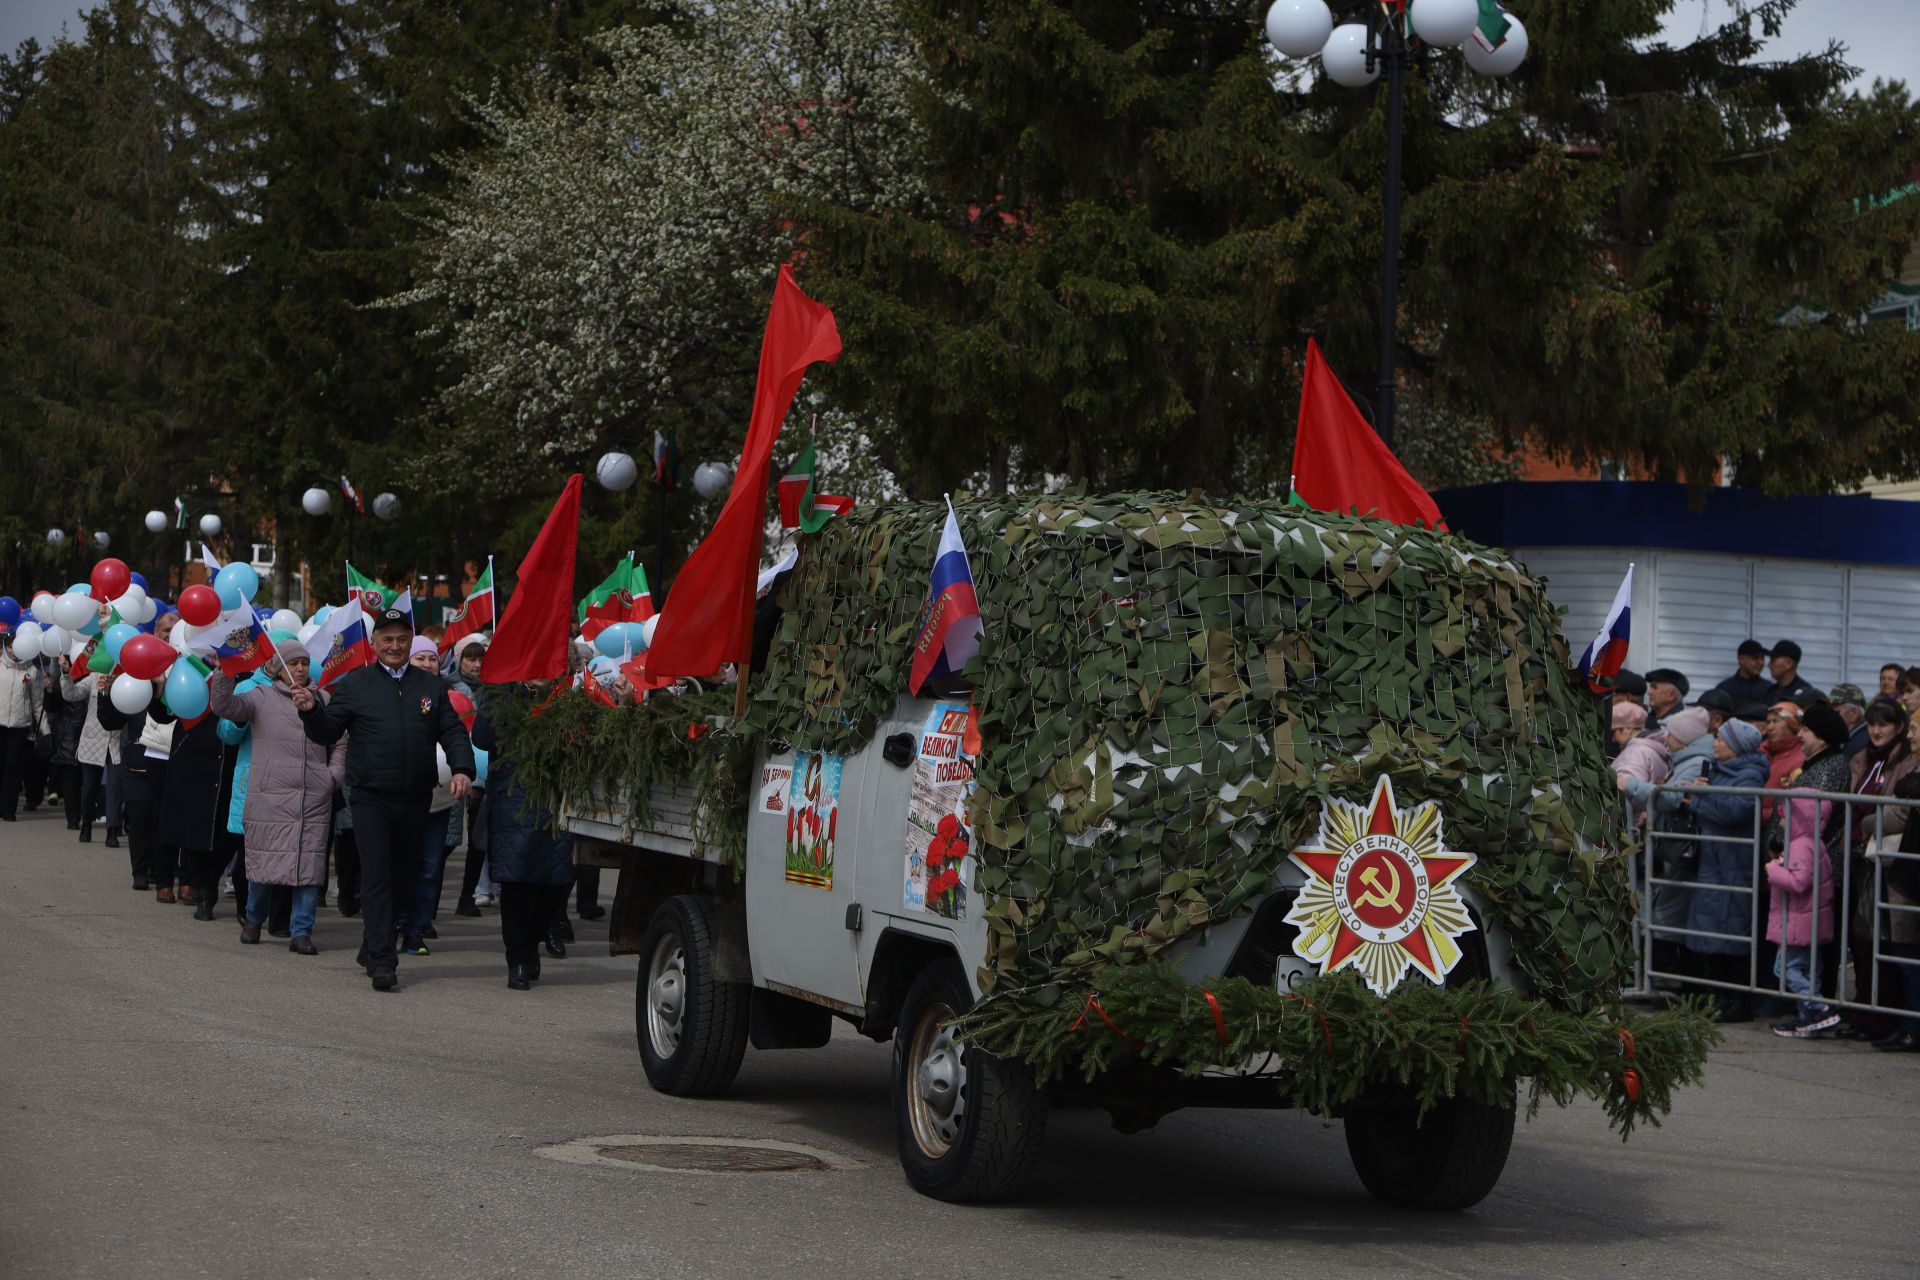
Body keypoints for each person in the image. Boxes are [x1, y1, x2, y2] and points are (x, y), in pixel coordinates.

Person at [294, 608, 475, 992]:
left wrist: (462, 768)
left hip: (414, 797)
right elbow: (327, 732)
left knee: (401, 878)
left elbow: (454, 732)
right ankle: (382, 959)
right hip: (370, 797)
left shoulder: (431, 687)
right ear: (374, 644)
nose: (395, 646)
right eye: (387, 639)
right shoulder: (356, 684)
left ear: (411, 643)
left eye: (401, 639)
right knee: (377, 876)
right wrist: (311, 712)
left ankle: (371, 943)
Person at [209, 643, 344, 955]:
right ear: (278, 667)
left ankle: (302, 932)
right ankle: (254, 919)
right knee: (264, 864)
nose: (299, 669)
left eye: (304, 663)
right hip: (270, 796)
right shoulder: (261, 696)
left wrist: (333, 775)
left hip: (313, 796)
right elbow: (225, 707)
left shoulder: (323, 699)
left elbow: (339, 741)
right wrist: (224, 673)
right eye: (293, 663)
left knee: (308, 867)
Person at [472, 686, 574, 990]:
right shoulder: (502, 694)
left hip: (559, 796)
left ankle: (532, 941)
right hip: (515, 796)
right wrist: (495, 696)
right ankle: (517, 957)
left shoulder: (567, 692)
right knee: (517, 880)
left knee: (555, 882)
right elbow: (482, 738)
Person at [1683, 719, 1769, 1021]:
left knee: (1732, 931)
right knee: (1712, 929)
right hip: (1714, 860)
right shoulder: (1718, 770)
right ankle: (1716, 995)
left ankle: (1737, 1000)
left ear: (1736, 746)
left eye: (1720, 739)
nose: (1714, 743)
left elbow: (1736, 809)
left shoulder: (1750, 774)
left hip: (1734, 862)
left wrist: (1698, 800)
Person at [1628, 707, 1716, 981]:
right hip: (1671, 846)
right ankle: (1660, 977)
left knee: (1667, 912)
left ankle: (1665, 979)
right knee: (1662, 909)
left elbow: (1670, 798)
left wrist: (1630, 785)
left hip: (1678, 849)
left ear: (1686, 738)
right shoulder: (1685, 758)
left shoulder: (1694, 761)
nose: (1667, 739)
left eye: (1673, 735)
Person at [402, 636, 467, 951]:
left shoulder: (450, 694)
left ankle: (417, 928)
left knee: (429, 867)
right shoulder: (397, 692)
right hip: (403, 796)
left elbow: (459, 735)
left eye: (431, 658)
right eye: (419, 658)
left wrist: (462, 768)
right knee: (400, 865)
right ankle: (394, 922)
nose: (427, 664)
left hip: (440, 800)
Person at [1767, 772, 1839, 1039]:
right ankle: (1808, 1017)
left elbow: (1799, 882)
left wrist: (1774, 869)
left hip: (1798, 921)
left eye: (1785, 816)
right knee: (1808, 970)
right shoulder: (1815, 843)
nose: (1782, 821)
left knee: (1784, 969)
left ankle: (1819, 1006)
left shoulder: (1800, 846)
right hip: (1809, 920)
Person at [157, 702, 238, 920]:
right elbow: (162, 713)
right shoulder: (190, 668)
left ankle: (210, 882)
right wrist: (158, 692)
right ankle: (203, 891)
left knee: (229, 837)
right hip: (192, 758)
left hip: (232, 760)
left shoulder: (247, 676)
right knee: (193, 831)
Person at [1871, 709, 1920, 1052]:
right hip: (1907, 872)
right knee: (1904, 951)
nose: (1911, 736)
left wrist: (1865, 822)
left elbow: (1899, 809)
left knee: (1910, 953)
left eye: (1915, 729)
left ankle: (1913, 1026)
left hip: (1912, 871)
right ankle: (1908, 1023)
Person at [0, 629, 45, 821]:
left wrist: (44, 728)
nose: (13, 651)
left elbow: (37, 702)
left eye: (15, 647)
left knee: (12, 767)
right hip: (0, 723)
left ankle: (9, 809)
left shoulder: (32, 672)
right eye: (9, 646)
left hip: (19, 725)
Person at [1610, 703, 1670, 824]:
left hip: (1633, 829)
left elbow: (1625, 797)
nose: (1613, 739)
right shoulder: (1653, 748)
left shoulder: (1633, 755)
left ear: (1628, 729)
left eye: (1614, 733)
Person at [1760, 702, 1806, 822]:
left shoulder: (1801, 758)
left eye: (1776, 721)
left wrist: (1755, 814)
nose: (1769, 727)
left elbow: (1791, 805)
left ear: (1792, 725)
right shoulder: (1760, 750)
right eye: (1768, 722)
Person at [1714, 640, 1774, 706]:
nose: (1760, 662)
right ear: (1741, 659)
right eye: (1755, 657)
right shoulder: (1725, 689)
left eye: (1762, 658)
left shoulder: (1769, 690)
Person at [1765, 641, 1816, 706]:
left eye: (1773, 661)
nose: (1769, 664)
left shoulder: (1806, 694)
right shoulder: (1771, 692)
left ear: (1788, 664)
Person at [1828, 685, 1869, 758]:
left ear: (1854, 714)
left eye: (1836, 712)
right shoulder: (1853, 738)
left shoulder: (1860, 745)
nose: (1829, 716)